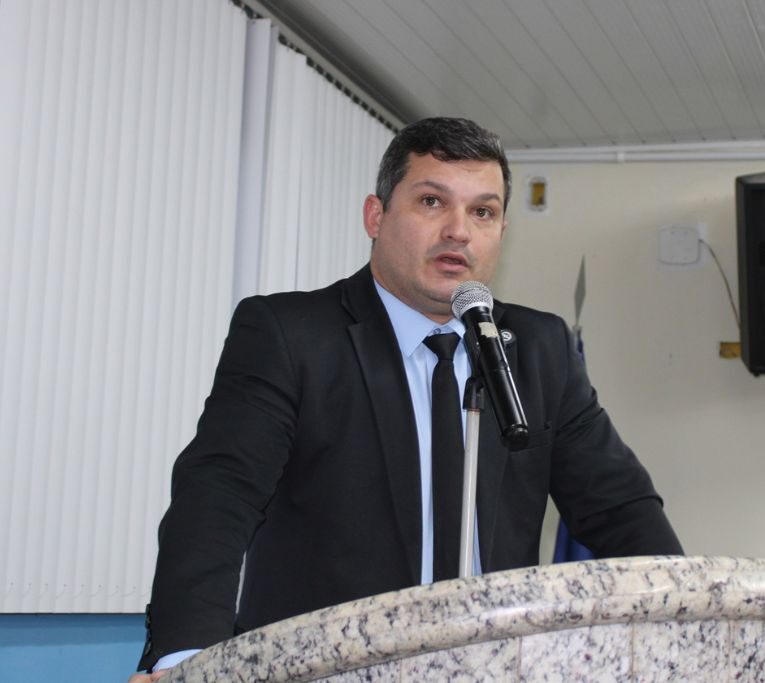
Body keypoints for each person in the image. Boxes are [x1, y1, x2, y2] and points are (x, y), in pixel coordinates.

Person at [131, 117, 682, 680]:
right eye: (431, 202)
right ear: (376, 216)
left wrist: (687, 630)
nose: (458, 231)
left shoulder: (540, 350)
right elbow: (218, 499)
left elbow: (620, 510)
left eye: (482, 212)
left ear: (501, 231)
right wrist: (187, 662)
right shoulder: (290, 335)